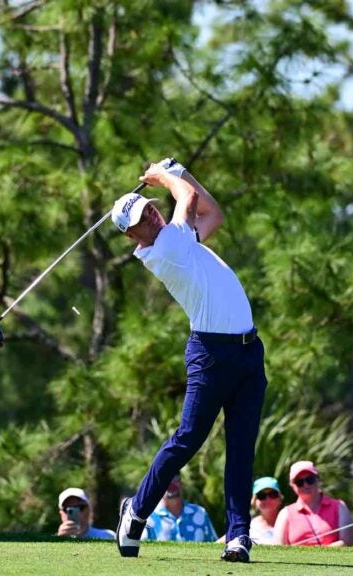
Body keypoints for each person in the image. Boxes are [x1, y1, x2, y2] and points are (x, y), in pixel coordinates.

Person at [112, 159, 268, 563]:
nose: (152, 212)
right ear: (132, 235)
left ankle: (237, 536)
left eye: (150, 205)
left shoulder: (179, 238)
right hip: (212, 354)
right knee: (187, 440)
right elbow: (190, 199)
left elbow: (211, 212)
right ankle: (137, 511)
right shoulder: (165, 250)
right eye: (143, 216)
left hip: (249, 352)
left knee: (241, 446)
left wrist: (180, 173)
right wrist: (165, 178)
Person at [273, 461, 353, 546]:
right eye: (299, 482)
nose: (306, 485)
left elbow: (348, 543)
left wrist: (317, 554)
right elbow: (279, 549)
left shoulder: (339, 507)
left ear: (318, 479)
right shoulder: (285, 514)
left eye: (310, 480)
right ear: (292, 485)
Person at [142, 474, 217, 542]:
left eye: (175, 479)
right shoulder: (149, 517)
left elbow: (213, 545)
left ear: (180, 482)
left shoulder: (200, 512)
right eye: (165, 480)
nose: (171, 484)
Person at [250, 477, 283, 544]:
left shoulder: (290, 521)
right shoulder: (248, 526)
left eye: (272, 494)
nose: (268, 499)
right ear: (254, 501)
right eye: (261, 496)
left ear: (280, 499)